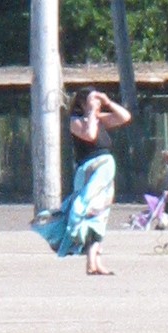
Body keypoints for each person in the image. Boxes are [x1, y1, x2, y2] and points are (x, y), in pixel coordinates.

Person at [33, 88, 132, 276]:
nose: (96, 103)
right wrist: (90, 113)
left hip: (105, 168)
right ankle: (67, 237)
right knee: (83, 210)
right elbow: (90, 135)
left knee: (100, 214)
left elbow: (125, 117)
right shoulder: (75, 121)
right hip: (89, 169)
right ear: (82, 103)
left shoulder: (99, 118)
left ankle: (94, 262)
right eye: (91, 99)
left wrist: (107, 102)